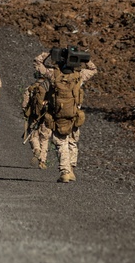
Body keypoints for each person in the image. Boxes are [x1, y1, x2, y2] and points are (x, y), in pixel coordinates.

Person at [34, 48, 98, 183]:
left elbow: (37, 63)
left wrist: (49, 53)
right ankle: (71, 169)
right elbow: (94, 70)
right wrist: (85, 59)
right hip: (74, 114)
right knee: (72, 141)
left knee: (60, 142)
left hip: (58, 115)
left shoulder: (53, 74)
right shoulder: (80, 76)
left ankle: (65, 171)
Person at [21, 75, 52, 169]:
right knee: (44, 139)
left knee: (33, 136)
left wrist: (26, 112)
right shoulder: (50, 88)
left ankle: (36, 150)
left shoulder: (31, 88)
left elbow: (24, 104)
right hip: (47, 117)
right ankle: (42, 161)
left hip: (34, 116)